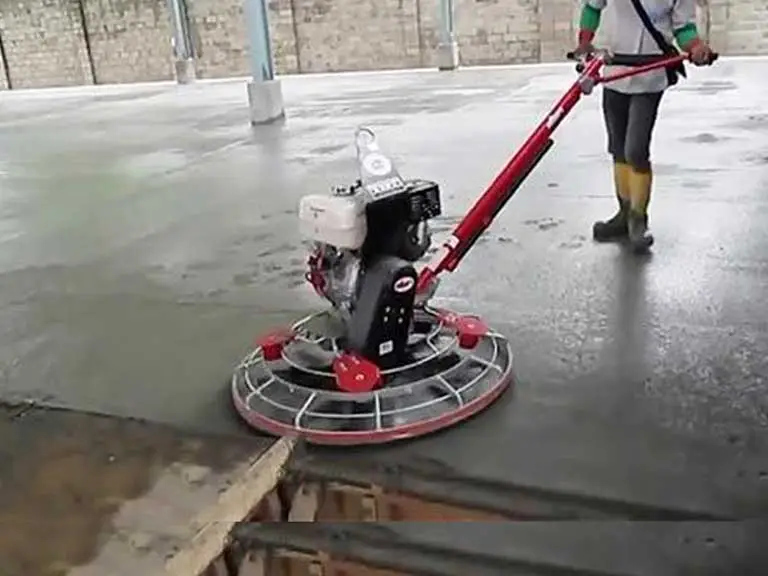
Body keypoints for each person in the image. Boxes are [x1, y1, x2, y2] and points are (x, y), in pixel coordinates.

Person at [576, 0, 715, 252]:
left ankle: (638, 218)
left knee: (636, 150)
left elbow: (683, 27)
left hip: (650, 75)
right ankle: (624, 213)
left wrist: (695, 47)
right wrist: (584, 41)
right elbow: (592, 7)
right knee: (618, 148)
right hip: (614, 71)